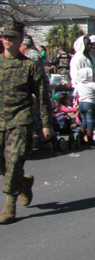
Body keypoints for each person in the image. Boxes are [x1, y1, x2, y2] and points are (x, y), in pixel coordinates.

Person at [0, 21, 55, 223]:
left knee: (14, 161)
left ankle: (9, 206)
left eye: (12, 37)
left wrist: (46, 124)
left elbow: (43, 97)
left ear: (20, 40)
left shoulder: (30, 67)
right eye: (5, 36)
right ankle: (22, 183)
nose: (7, 40)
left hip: (20, 119)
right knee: (4, 164)